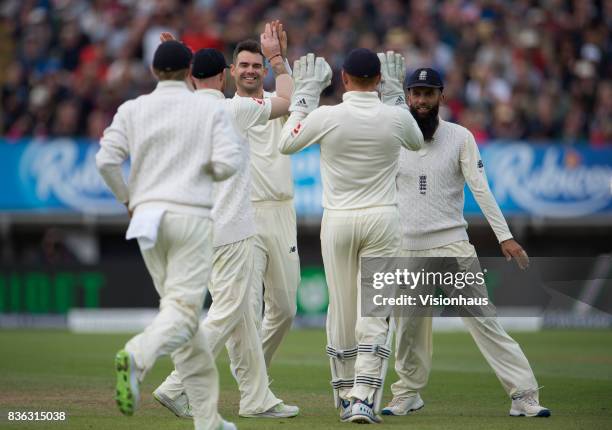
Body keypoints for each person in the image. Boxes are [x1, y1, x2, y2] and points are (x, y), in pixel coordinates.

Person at [378, 64, 551, 418]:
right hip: (407, 247)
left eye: (429, 93)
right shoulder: (393, 138)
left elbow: (481, 189)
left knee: (484, 320)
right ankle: (408, 393)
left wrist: (505, 236)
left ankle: (524, 395)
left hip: (453, 245)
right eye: (416, 93)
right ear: (407, 97)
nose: (422, 100)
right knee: (409, 327)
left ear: (441, 96)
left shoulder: (460, 137)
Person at [152, 23, 299, 419]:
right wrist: (277, 61)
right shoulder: (234, 110)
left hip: (196, 228)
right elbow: (286, 99)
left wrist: (178, 65)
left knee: (244, 319)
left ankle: (256, 398)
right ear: (226, 75)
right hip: (232, 228)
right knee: (230, 313)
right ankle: (174, 383)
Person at [96, 40, 242, 430]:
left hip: (145, 219)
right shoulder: (207, 106)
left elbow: (106, 160)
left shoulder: (133, 108)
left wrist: (127, 198)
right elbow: (230, 162)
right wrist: (200, 172)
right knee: (183, 312)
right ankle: (136, 356)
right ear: (188, 70)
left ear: (154, 72)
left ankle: (209, 421)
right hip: (190, 217)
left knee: (185, 321)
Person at [278, 49, 424, 424]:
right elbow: (417, 142)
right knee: (374, 310)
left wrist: (305, 97)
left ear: (343, 78)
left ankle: (345, 395)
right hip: (382, 219)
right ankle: (363, 397)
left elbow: (286, 142)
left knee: (341, 309)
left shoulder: (326, 116)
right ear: (379, 79)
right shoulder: (395, 116)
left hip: (339, 221)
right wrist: (394, 96)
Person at [231, 33, 301, 369]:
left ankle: (253, 371)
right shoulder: (226, 109)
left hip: (282, 212)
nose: (250, 71)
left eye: (256, 66)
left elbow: (298, 106)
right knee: (249, 309)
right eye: (243, 65)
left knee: (286, 309)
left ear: (264, 71)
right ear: (232, 70)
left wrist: (279, 62)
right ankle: (254, 384)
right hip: (245, 215)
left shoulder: (280, 103)